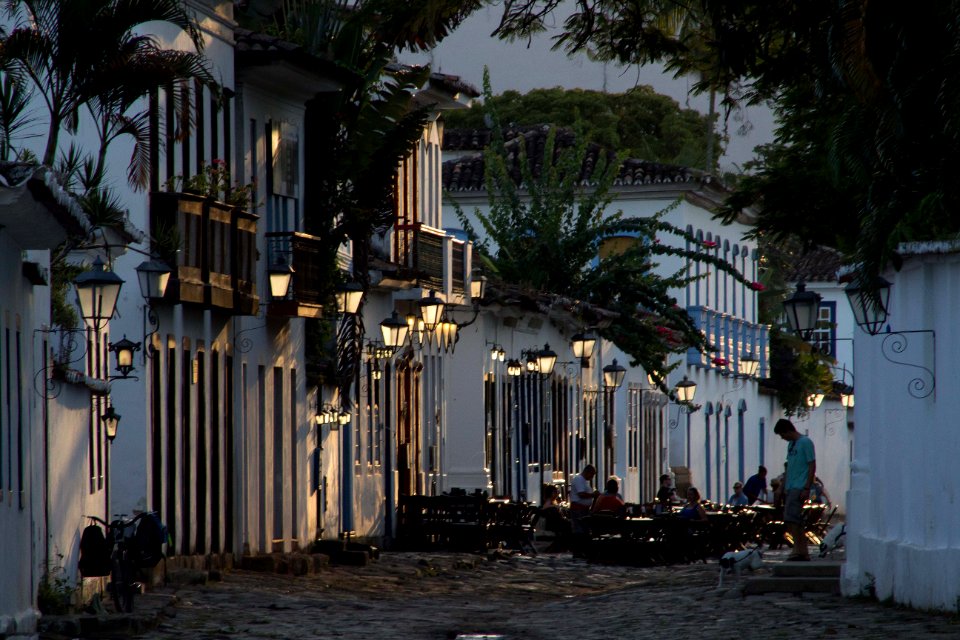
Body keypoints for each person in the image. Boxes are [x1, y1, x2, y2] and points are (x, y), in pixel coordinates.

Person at [775, 418, 816, 561]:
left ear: (788, 430)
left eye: (782, 434)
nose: (782, 438)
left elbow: (811, 465)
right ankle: (801, 550)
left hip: (799, 486)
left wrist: (807, 487)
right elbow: (789, 466)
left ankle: (798, 549)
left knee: (791, 518)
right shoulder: (791, 445)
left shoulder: (805, 443)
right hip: (791, 486)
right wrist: (782, 486)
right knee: (793, 519)